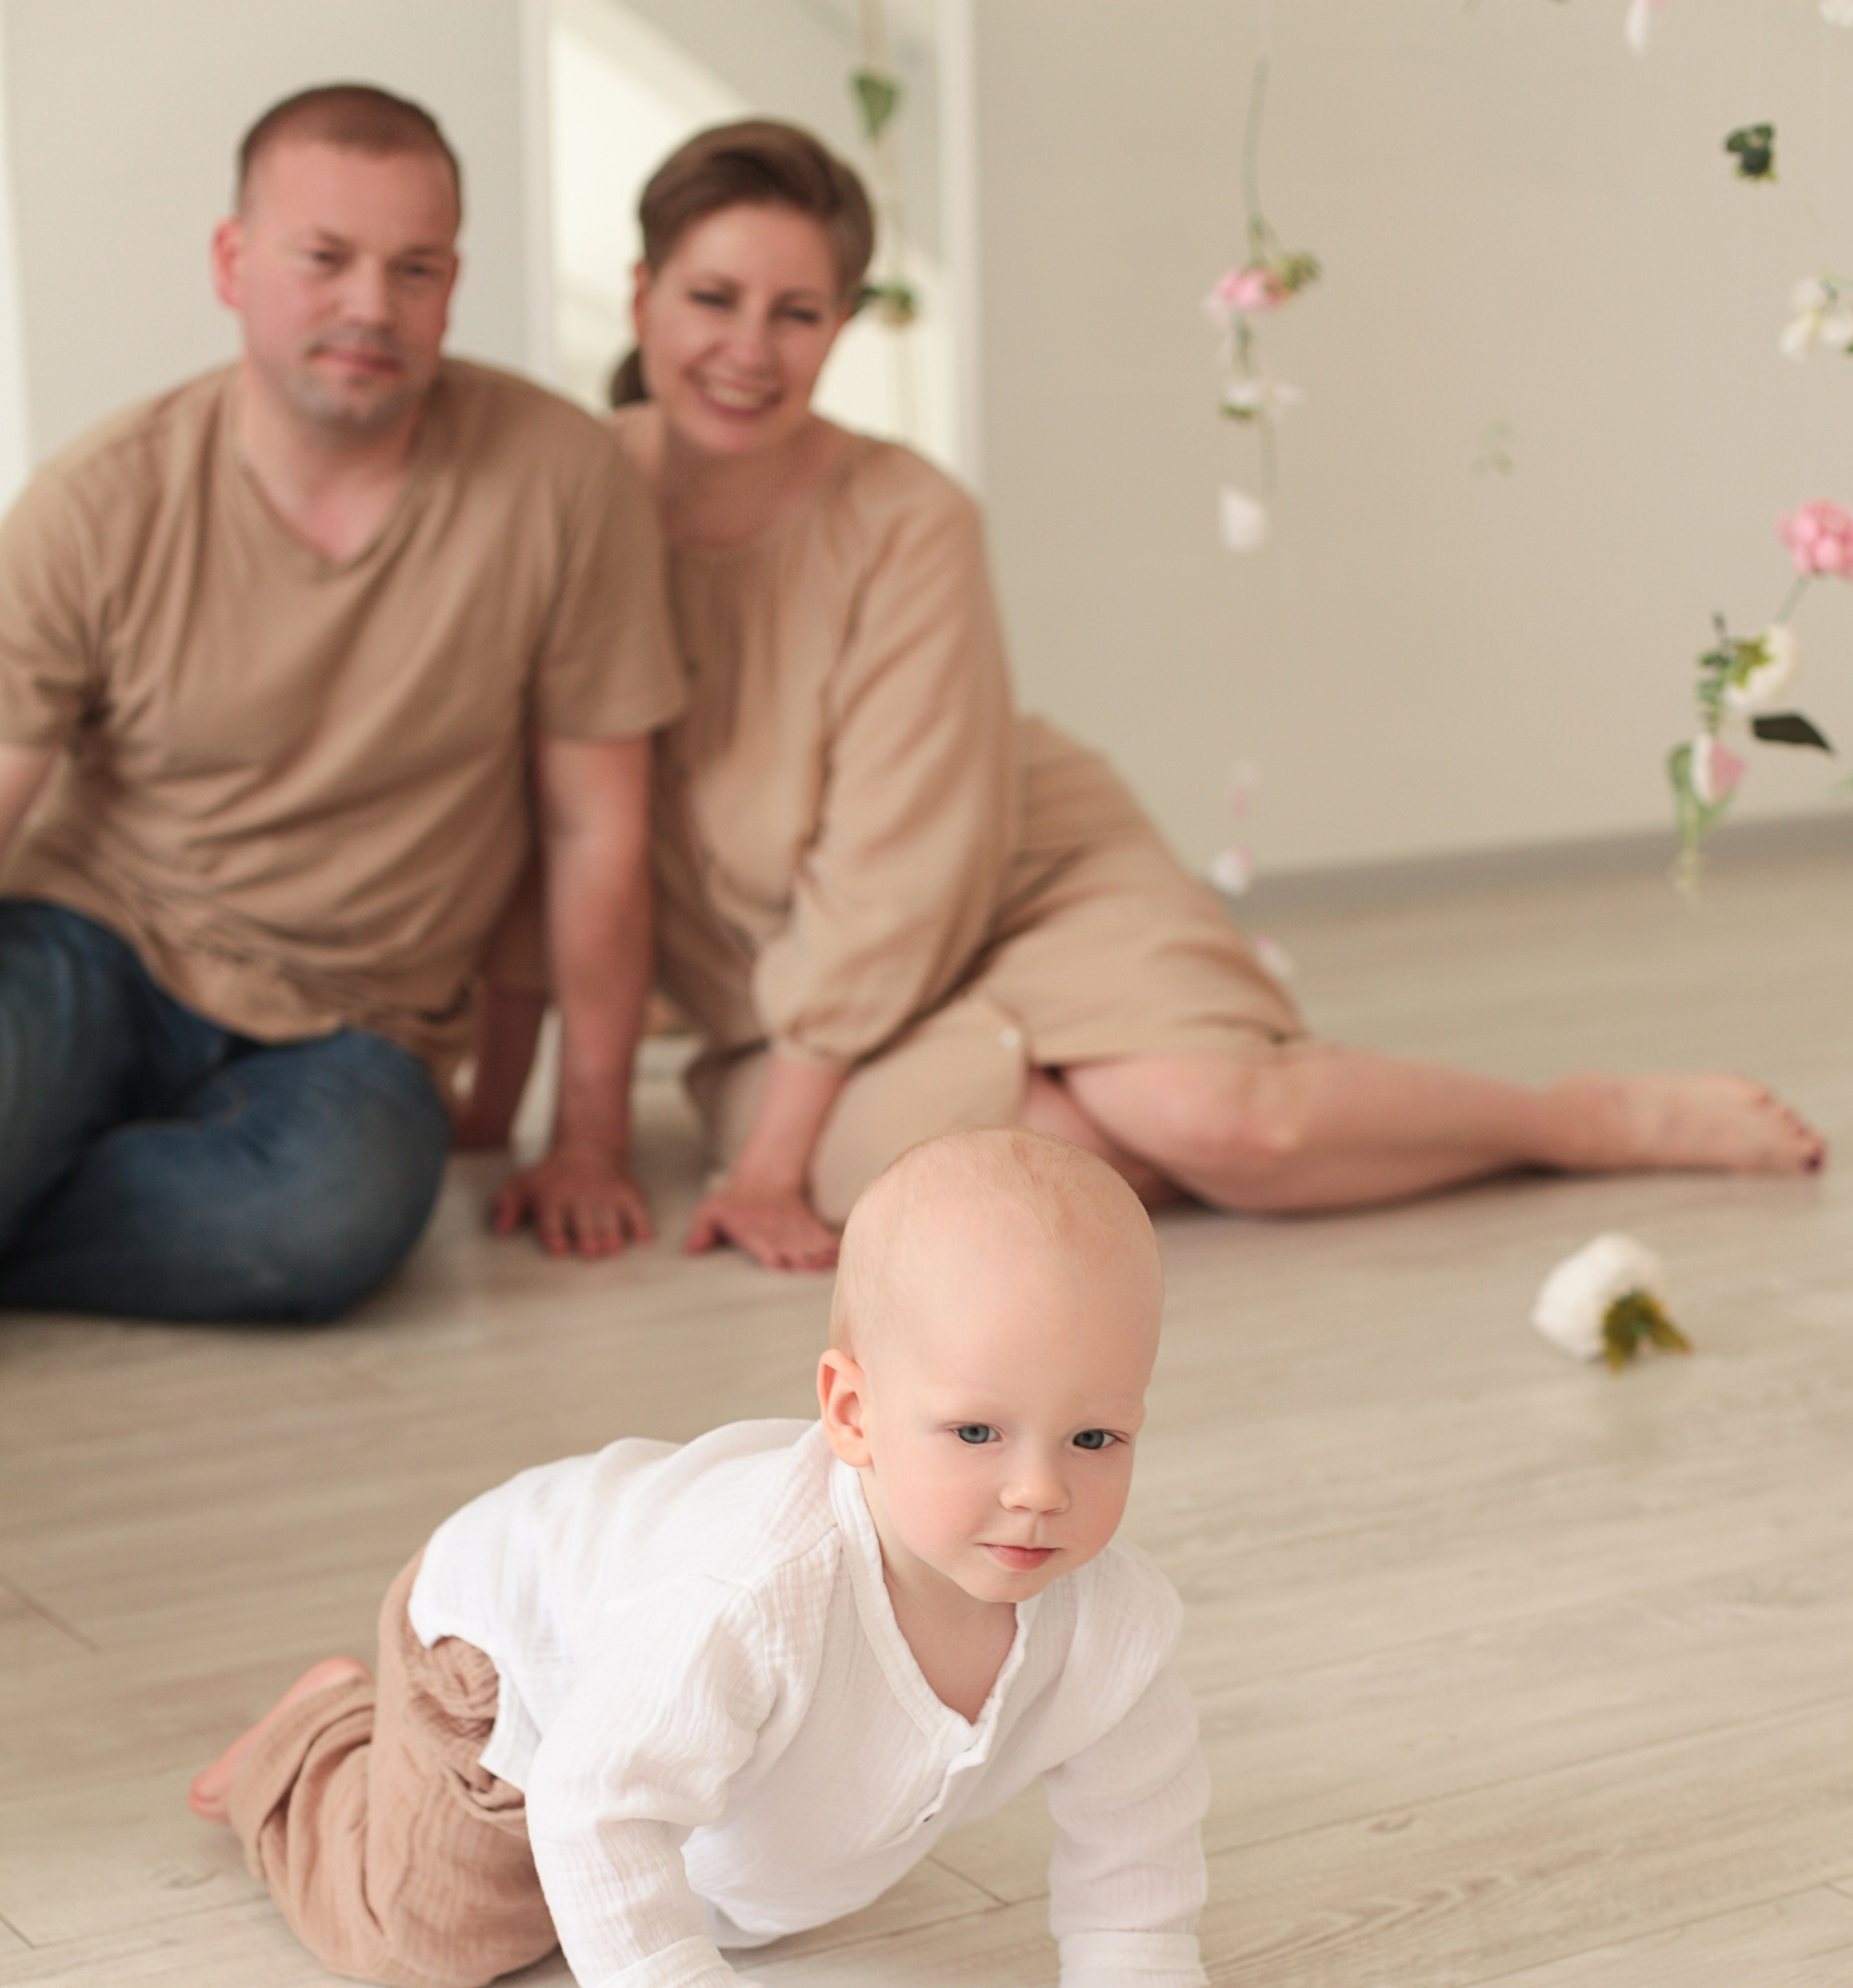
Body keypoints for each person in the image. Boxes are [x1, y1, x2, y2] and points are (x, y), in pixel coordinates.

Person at [465, 119, 1825, 1272]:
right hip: (782, 987)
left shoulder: (907, 518)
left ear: (845, 326)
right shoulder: (571, 495)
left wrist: (765, 1169)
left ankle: (1572, 1122)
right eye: (712, 300)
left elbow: (896, 874)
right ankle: (1073, 1098)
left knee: (1217, 1116)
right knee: (1048, 1186)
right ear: (642, 294)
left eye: (797, 311)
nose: (748, 351)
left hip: (1010, 872)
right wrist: (507, 1110)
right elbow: (541, 818)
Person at [187, 1129, 1262, 1988]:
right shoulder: (750, 1597)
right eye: (977, 1430)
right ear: (852, 1414)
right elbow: (596, 1796)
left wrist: (1130, 1966)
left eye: (1095, 1439)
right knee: (435, 1931)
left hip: (652, 1669)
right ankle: (319, 1739)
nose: (1040, 1489)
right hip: (510, 1657)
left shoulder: (1106, 1616)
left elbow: (1141, 1793)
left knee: (719, 1860)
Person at [0, 83, 685, 1323]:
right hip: (98, 942)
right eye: (326, 259)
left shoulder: (561, 481)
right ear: (233, 260)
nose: (372, 304)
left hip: (358, 1017)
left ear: (452, 285)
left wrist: (588, 1135)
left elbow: (599, 831)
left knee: (325, 1219)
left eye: (414, 269)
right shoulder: (99, 497)